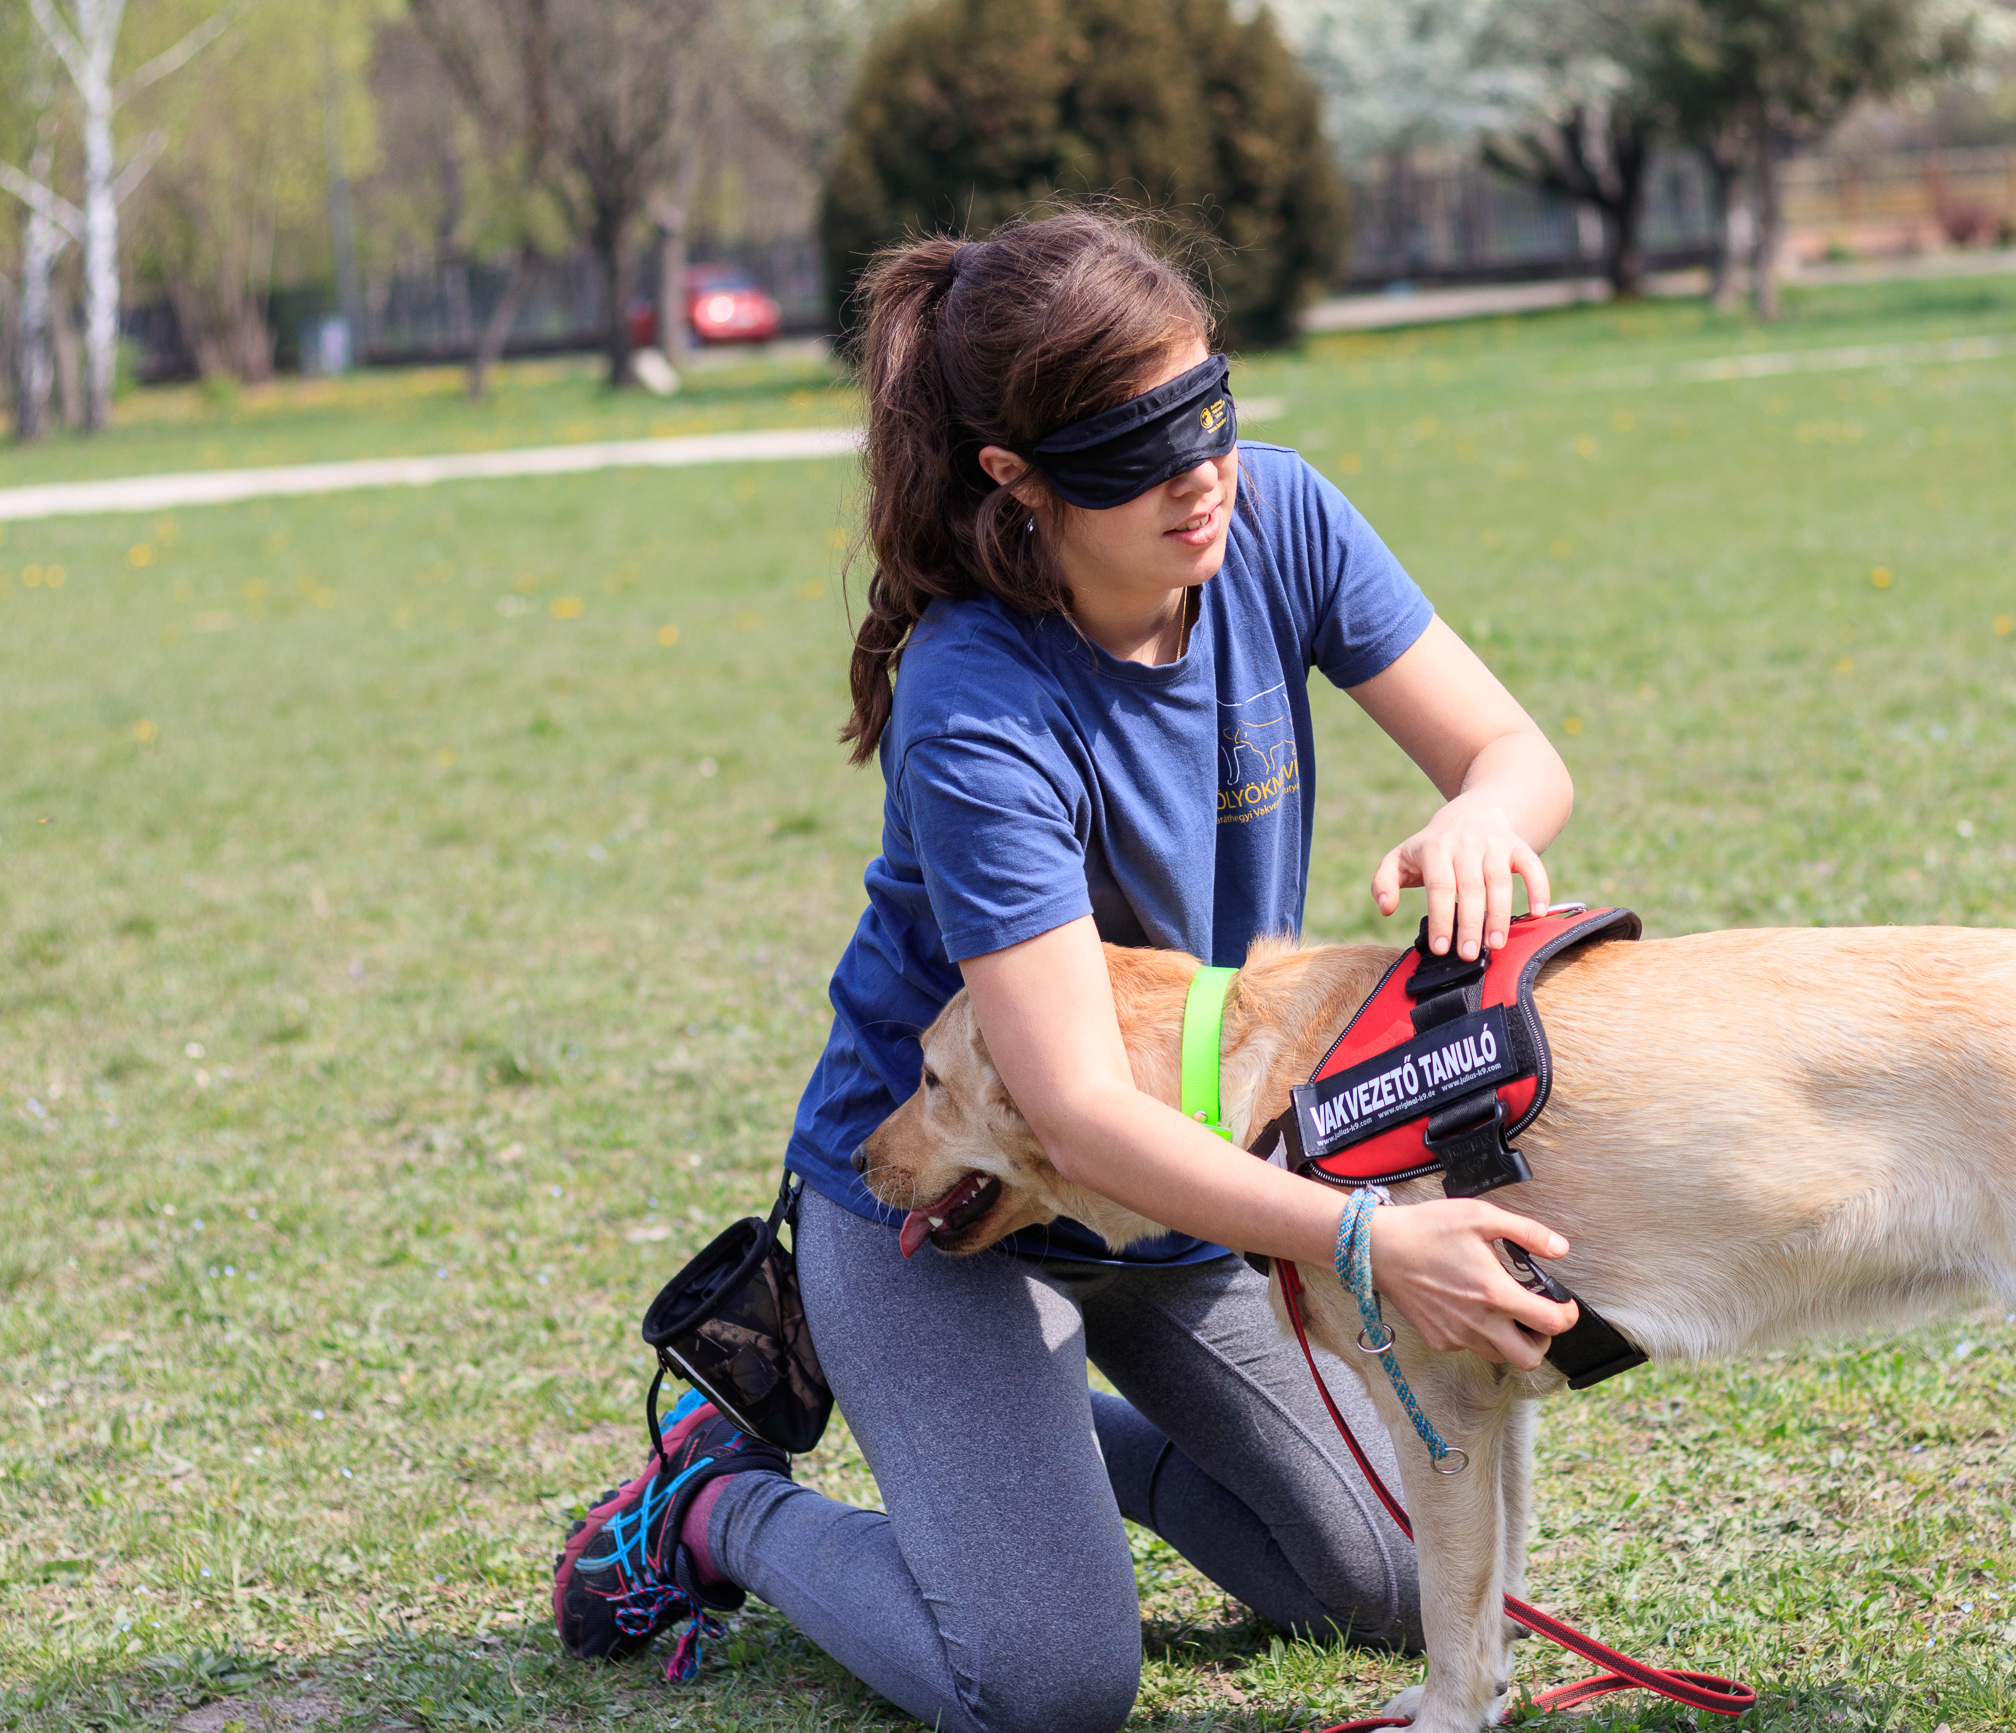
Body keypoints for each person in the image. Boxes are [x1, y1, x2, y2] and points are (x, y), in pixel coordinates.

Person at [552, 210, 1580, 1733]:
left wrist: (1487, 818)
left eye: (1210, 413)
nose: (1199, 475)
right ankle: (718, 1502)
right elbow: (1078, 1111)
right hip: (949, 1201)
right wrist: (1363, 1238)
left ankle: (1038, 1464)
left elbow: (1512, 750)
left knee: (1388, 1582)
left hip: (1182, 1200)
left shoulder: (1279, 518)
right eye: (1133, 450)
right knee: (1047, 1684)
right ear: (1015, 480)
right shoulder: (976, 702)